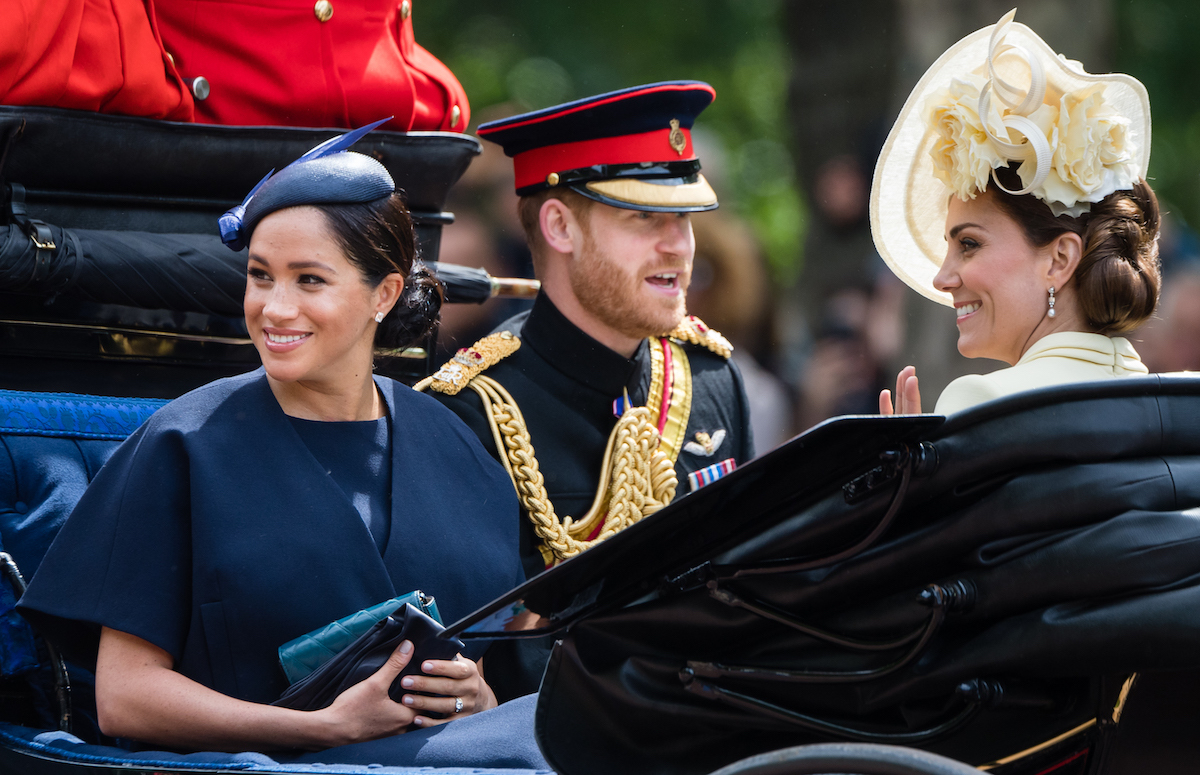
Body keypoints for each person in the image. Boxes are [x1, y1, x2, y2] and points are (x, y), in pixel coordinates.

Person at [17, 125, 546, 768]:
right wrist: (323, 728)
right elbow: (125, 699)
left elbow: (489, 660)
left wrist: (476, 698)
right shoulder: (183, 444)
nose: (275, 308)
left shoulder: (454, 443)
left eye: (309, 281)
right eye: (260, 276)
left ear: (382, 293)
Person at [418, 81, 755, 582]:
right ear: (559, 228)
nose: (679, 247)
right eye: (644, 217)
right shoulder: (469, 416)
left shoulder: (711, 378)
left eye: (683, 216)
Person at [871, 10, 1160, 416]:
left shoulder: (981, 402)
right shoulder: (1165, 403)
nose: (942, 278)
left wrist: (911, 479)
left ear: (1060, 259)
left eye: (968, 244)